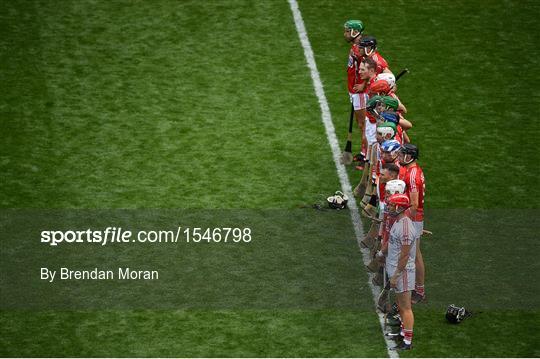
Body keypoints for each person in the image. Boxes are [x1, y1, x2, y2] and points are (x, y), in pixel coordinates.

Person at [386, 193, 417, 351]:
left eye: (392, 205)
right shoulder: (399, 221)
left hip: (403, 272)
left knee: (405, 307)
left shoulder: (405, 227)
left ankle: (407, 341)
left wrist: (396, 275)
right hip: (395, 268)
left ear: (399, 207)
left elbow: (404, 256)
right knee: (400, 304)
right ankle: (403, 333)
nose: (390, 207)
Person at [398, 144, 426, 304]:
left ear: (410, 157)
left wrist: (404, 221)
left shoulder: (412, 175)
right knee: (413, 254)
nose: (400, 157)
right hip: (413, 218)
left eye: (402, 155)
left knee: (414, 255)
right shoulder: (411, 171)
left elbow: (414, 204)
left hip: (413, 218)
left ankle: (420, 290)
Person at [343, 20, 369, 155]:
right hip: (353, 90)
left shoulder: (360, 49)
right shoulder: (356, 46)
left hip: (360, 92)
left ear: (354, 32)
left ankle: (365, 154)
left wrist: (363, 84)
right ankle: (364, 152)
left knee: (364, 125)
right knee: (361, 124)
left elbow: (371, 66)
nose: (345, 34)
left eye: (347, 31)